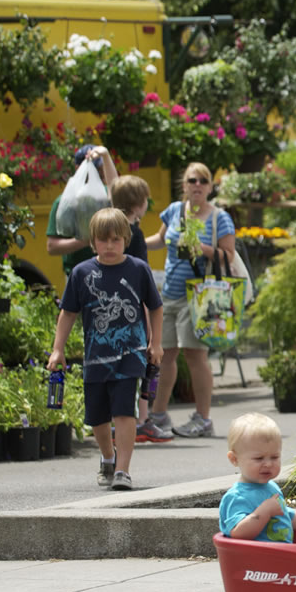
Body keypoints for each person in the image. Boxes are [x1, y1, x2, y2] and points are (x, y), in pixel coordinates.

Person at [47, 208, 163, 491]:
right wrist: (57, 350)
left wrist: (155, 343)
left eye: (115, 240)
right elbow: (68, 314)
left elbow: (155, 307)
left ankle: (123, 470)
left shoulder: (137, 269)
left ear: (126, 239)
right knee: (97, 418)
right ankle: (107, 457)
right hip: (96, 358)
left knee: (125, 411)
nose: (109, 246)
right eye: (103, 240)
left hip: (130, 355)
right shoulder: (82, 273)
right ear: (92, 242)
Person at [144, 162, 236, 439]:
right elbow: (160, 240)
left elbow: (228, 256)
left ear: (210, 187)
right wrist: (131, 241)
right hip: (169, 293)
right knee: (164, 354)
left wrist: (203, 249)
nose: (197, 185)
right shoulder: (174, 211)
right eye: (192, 180)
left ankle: (203, 418)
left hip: (199, 296)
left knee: (196, 355)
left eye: (203, 181)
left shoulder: (219, 217)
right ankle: (158, 414)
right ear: (184, 185)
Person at [109, 174, 169, 443]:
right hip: (135, 307)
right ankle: (142, 419)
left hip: (114, 306)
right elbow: (142, 277)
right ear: (137, 203)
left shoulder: (115, 231)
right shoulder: (134, 233)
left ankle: (117, 419)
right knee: (146, 364)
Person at [219, 413, 296, 541]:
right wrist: (264, 512)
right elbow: (238, 532)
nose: (268, 464)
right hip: (255, 559)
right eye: (259, 458)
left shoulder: (271, 487)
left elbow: (286, 516)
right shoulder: (237, 497)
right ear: (234, 459)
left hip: (277, 557)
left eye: (274, 457)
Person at [45, 145, 119, 274]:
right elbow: (52, 247)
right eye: (94, 168)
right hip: (76, 273)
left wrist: (105, 156)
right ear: (78, 168)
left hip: (109, 271)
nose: (96, 173)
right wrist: (85, 240)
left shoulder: (106, 197)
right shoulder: (65, 202)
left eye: (99, 169)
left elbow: (117, 189)